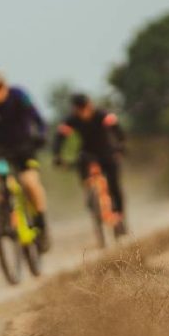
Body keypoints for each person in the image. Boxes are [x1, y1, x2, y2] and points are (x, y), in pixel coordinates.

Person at [0, 76, 51, 252]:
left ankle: (41, 224)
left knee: (29, 182)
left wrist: (42, 134)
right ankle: (3, 213)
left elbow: (37, 117)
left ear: (4, 85)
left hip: (24, 147)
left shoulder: (18, 95)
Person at [52, 93, 128, 234]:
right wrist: (57, 155)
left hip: (107, 152)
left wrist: (120, 147)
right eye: (79, 109)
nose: (83, 112)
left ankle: (120, 218)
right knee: (84, 175)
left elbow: (117, 129)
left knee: (114, 186)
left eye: (84, 107)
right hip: (86, 155)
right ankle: (91, 198)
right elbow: (59, 137)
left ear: (90, 105)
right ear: (74, 109)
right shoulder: (71, 120)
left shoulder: (102, 115)